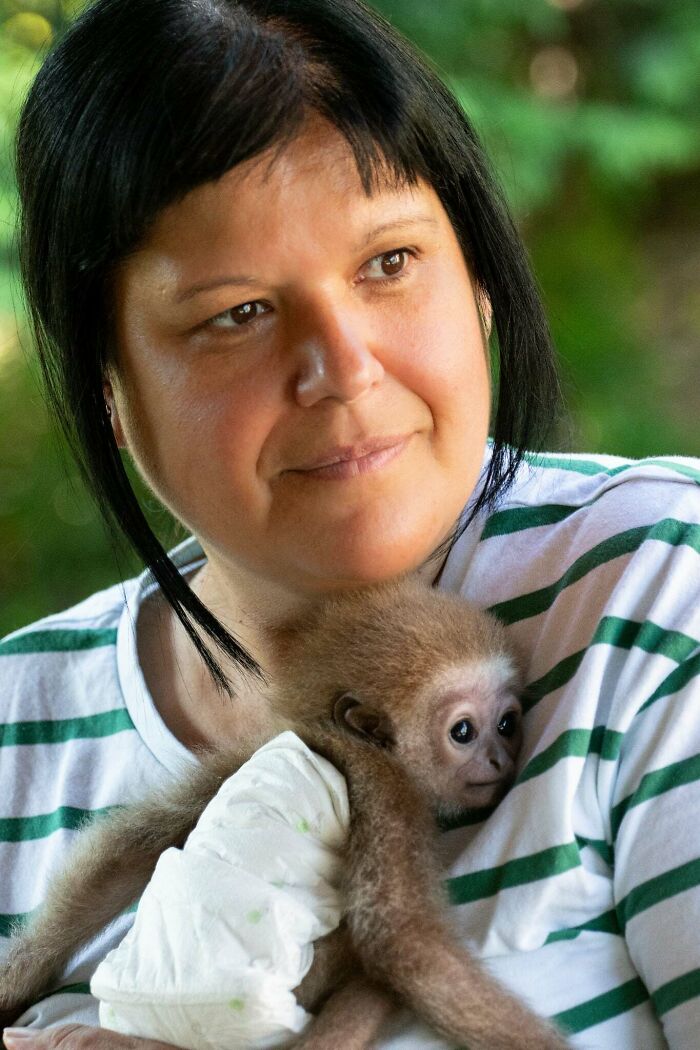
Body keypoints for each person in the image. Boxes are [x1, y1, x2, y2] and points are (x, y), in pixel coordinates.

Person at [0, 0, 698, 1047]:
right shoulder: (18, 731)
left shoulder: (655, 588)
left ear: (478, 285)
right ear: (112, 386)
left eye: (388, 263)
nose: (344, 369)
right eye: (237, 314)